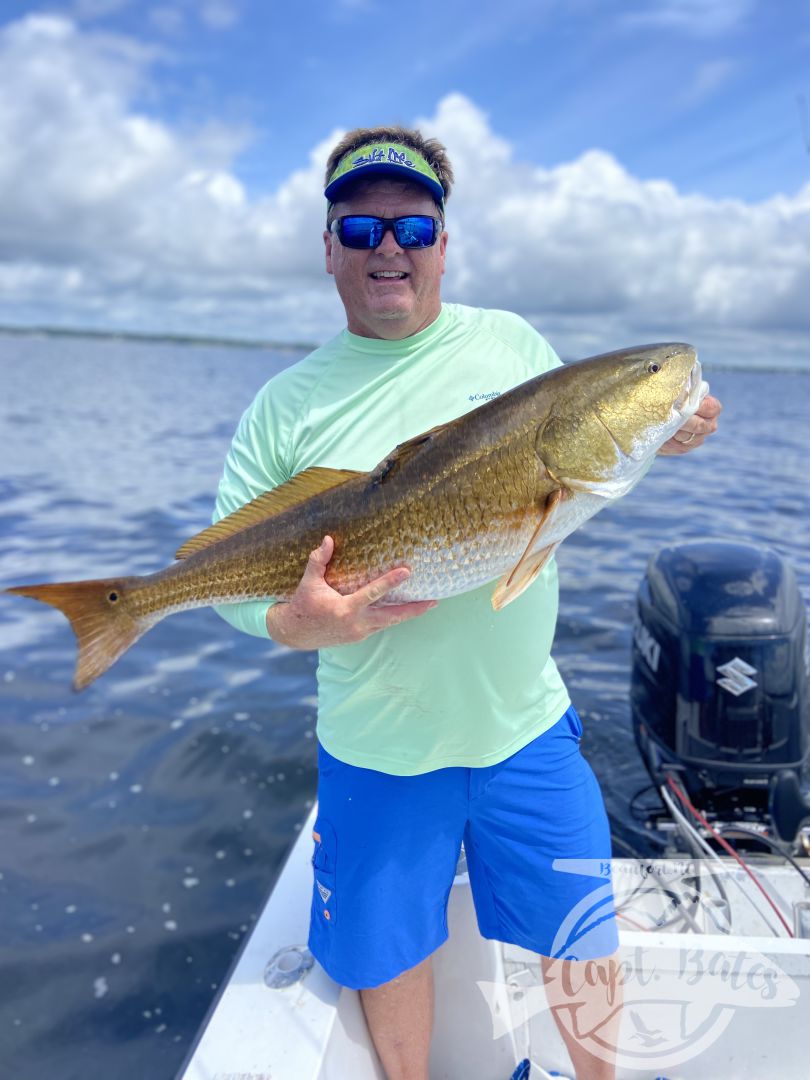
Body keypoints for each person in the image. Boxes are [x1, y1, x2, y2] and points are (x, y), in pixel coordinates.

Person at [214, 126, 722, 1080]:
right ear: (328, 248)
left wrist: (668, 423)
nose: (389, 249)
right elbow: (235, 592)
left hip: (523, 725)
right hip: (378, 743)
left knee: (580, 938)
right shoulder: (282, 408)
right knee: (388, 953)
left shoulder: (515, 344)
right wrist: (290, 622)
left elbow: (588, 448)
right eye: (360, 231)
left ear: (444, 240)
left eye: (412, 226)